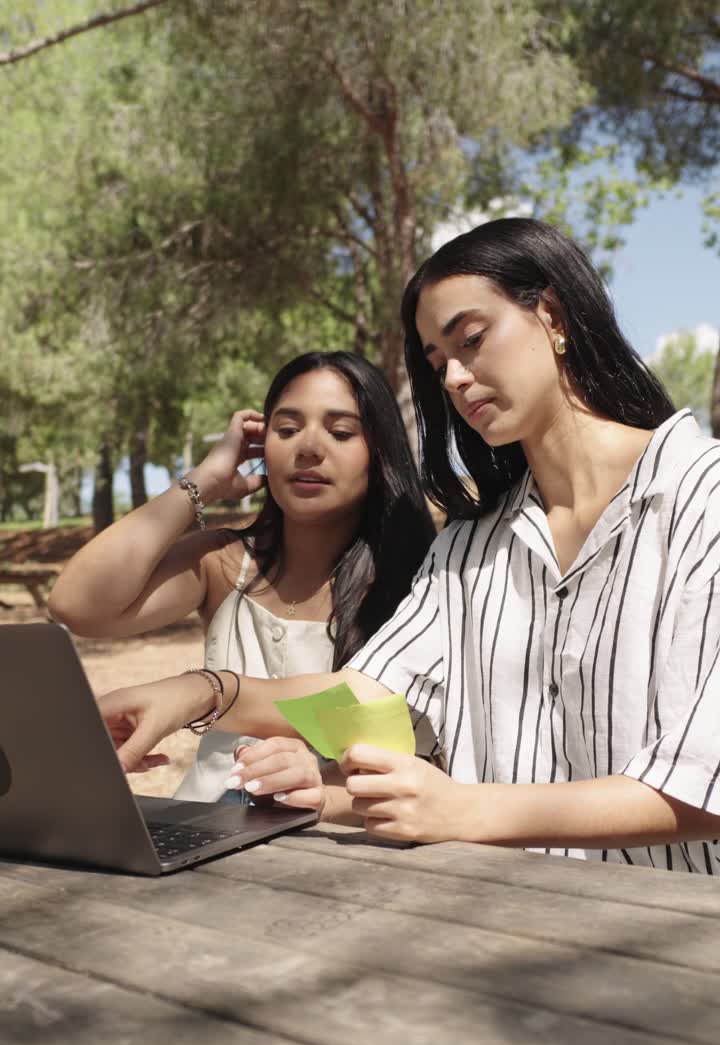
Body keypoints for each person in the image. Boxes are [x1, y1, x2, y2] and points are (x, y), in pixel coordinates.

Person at [97, 218, 720, 872]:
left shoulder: (702, 500)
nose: (453, 376)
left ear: (554, 315)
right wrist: (202, 691)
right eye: (436, 361)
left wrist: (464, 809)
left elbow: (705, 783)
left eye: (472, 339)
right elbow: (370, 694)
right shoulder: (470, 547)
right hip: (497, 925)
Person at [50, 350, 435, 803]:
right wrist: (204, 481)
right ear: (261, 445)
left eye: (341, 432)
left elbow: (430, 762)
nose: (308, 448)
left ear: (380, 452)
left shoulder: (421, 582)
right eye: (287, 430)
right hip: (203, 830)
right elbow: (77, 606)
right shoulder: (225, 563)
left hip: (345, 846)